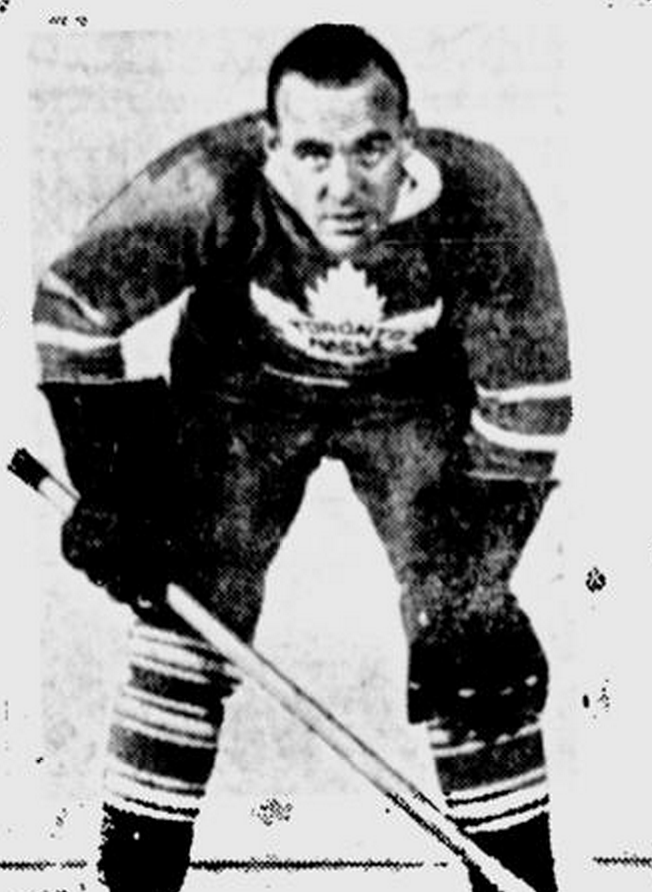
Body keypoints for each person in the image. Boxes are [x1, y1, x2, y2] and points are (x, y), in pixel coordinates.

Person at [33, 23, 572, 892]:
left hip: (409, 398)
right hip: (246, 392)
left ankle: (519, 881)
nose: (344, 186)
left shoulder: (478, 199)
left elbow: (529, 402)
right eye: (314, 154)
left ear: (409, 139)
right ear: (271, 145)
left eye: (370, 150)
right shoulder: (215, 179)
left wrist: (473, 582)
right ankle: (132, 882)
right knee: (189, 603)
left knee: (471, 639)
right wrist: (114, 489)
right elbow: (72, 305)